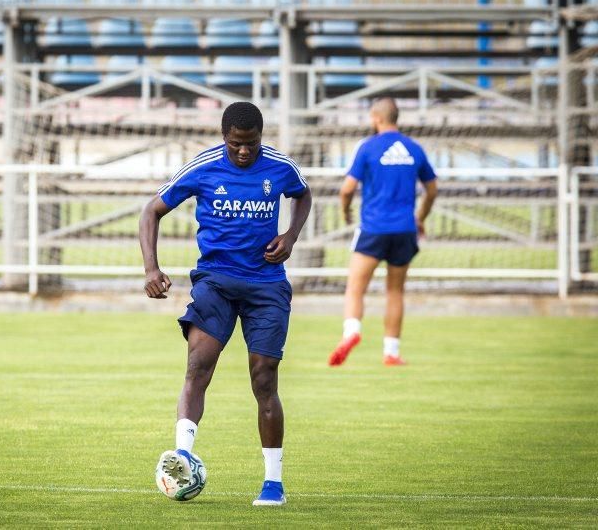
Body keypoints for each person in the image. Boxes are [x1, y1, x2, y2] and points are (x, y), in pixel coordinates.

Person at [139, 101, 312, 506]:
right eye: (236, 144)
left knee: (264, 378)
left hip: (266, 284)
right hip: (215, 281)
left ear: (260, 138)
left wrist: (290, 236)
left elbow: (303, 196)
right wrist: (151, 268)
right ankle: (182, 454)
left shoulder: (280, 167)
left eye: (251, 144)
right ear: (224, 138)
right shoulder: (202, 167)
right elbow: (151, 211)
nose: (244, 152)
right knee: (198, 366)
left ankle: (273, 483)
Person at [329, 97, 438, 367]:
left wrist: (345, 212)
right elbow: (432, 189)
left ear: (376, 118)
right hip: (404, 229)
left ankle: (351, 332)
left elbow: (346, 189)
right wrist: (420, 217)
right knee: (395, 291)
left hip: (373, 228)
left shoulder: (367, 148)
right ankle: (391, 352)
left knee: (355, 286)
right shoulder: (414, 148)